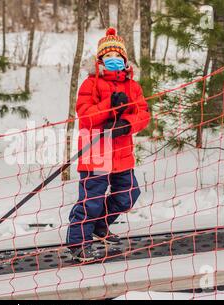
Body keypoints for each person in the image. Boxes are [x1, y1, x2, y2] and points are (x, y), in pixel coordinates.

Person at [67, 27, 151, 262]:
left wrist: (126, 124)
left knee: (128, 194)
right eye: (108, 57)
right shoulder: (90, 84)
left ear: (125, 60)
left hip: (122, 150)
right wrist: (109, 104)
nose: (113, 61)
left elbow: (143, 113)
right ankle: (78, 243)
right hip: (96, 150)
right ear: (100, 60)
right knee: (91, 200)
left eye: (118, 57)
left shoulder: (133, 86)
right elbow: (86, 117)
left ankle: (100, 226)